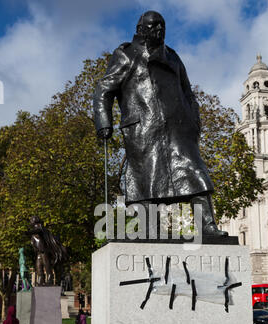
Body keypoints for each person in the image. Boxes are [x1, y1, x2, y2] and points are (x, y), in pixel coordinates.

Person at [93, 10, 227, 238]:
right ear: (141, 28)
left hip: (179, 130)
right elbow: (104, 89)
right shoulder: (125, 54)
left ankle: (207, 226)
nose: (159, 30)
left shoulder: (173, 58)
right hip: (144, 130)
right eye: (153, 26)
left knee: (195, 173)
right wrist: (104, 122)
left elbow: (188, 92)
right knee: (147, 181)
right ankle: (148, 230)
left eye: (162, 26)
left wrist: (194, 121)